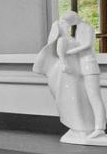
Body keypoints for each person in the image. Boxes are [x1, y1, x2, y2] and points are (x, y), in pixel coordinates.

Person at [34, 11, 107, 145]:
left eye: (67, 23)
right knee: (87, 98)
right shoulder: (72, 34)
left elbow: (87, 45)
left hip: (89, 66)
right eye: (64, 25)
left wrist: (69, 52)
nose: (67, 26)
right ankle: (91, 127)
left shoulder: (86, 27)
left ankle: (99, 128)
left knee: (94, 97)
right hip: (82, 68)